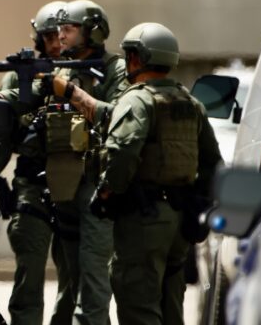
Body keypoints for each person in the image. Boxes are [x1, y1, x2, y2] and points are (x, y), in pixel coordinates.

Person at [86, 23, 221, 325]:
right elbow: (213, 163)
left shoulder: (137, 100)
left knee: (138, 302)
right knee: (171, 299)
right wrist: (198, 203)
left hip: (144, 220)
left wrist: (108, 191)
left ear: (137, 58)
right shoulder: (191, 103)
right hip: (178, 220)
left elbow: (123, 150)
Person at [39, 0, 127, 325]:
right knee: (71, 277)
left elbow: (120, 117)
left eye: (69, 28)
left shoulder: (114, 69)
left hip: (97, 183)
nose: (61, 35)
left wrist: (71, 92)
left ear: (93, 31)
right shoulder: (60, 68)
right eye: (59, 29)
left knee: (93, 275)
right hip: (64, 187)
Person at [0, 0, 77, 325]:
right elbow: (3, 130)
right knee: (29, 273)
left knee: (75, 275)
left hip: (74, 184)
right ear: (39, 39)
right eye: (50, 37)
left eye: (64, 36)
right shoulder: (19, 79)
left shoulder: (84, 76)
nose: (58, 43)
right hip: (33, 185)